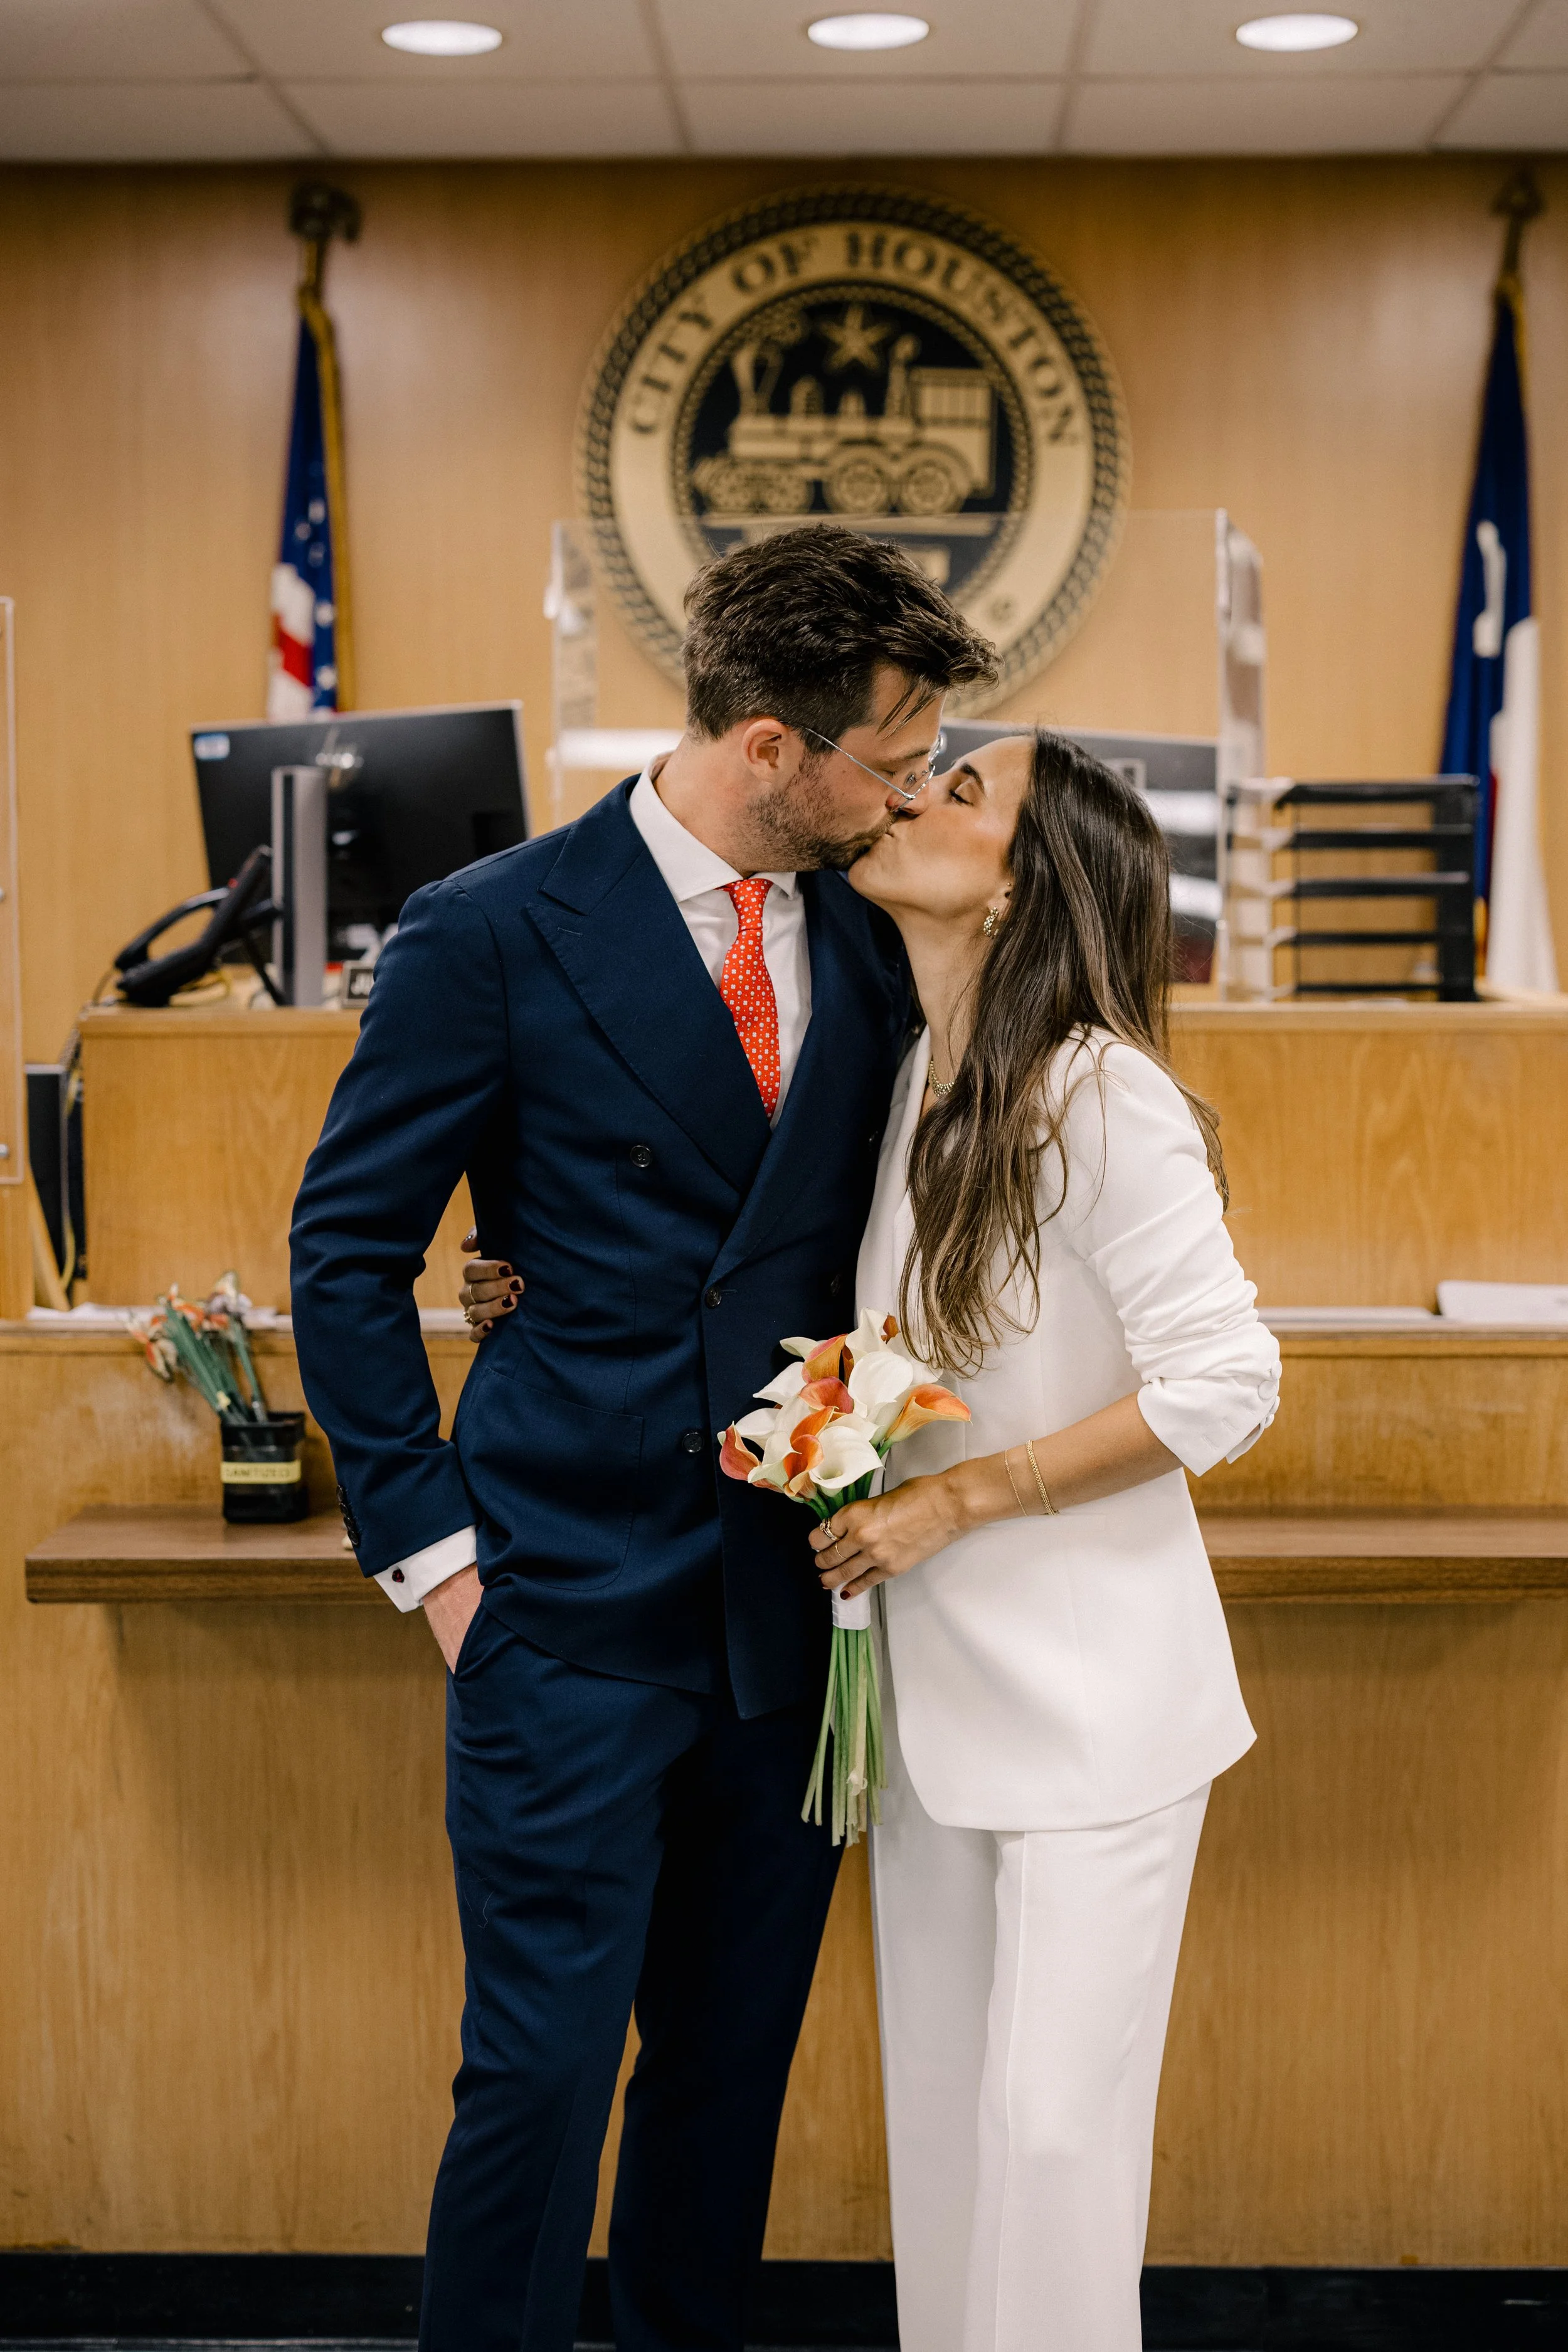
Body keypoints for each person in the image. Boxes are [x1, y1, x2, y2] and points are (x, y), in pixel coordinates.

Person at [288, 524, 997, 2352]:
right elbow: (348, 1255)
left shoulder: (874, 922)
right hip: (558, 1603)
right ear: (772, 744)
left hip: (791, 1612)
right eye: (888, 754)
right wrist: (443, 1569)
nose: (907, 788)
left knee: (721, 2091)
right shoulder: (493, 930)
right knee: (529, 2082)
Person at [817, 728, 1279, 2352]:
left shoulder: (1102, 1092)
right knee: (947, 2145)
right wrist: (826, 1442)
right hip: (937, 1716)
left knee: (1049, 2145)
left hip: (1098, 1720)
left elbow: (1226, 1380)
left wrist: (956, 1495)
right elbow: (920, 1352)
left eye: (960, 791)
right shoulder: (921, 1075)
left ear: (1025, 877)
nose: (910, 796)